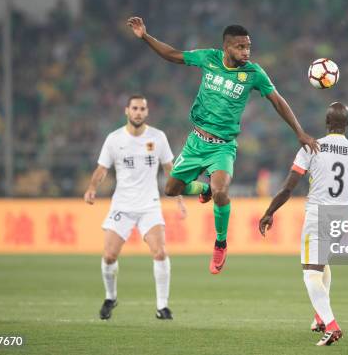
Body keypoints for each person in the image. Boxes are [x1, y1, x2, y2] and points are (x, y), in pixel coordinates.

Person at [127, 17, 319, 274]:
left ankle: (220, 243)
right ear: (227, 47)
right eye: (241, 47)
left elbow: (277, 101)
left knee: (221, 191)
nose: (246, 52)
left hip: (223, 147)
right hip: (196, 142)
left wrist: (300, 132)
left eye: (248, 47)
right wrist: (146, 37)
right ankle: (203, 188)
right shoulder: (209, 58)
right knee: (172, 189)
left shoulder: (253, 73)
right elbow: (173, 55)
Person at [259, 102, 348, 346]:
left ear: (327, 123)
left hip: (318, 214)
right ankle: (320, 317)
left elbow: (288, 187)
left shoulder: (312, 147)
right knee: (322, 263)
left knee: (311, 272)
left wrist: (269, 212)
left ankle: (331, 325)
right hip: (342, 217)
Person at [84, 95, 187, 320]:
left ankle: (162, 306)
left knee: (160, 252)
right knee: (109, 255)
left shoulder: (157, 137)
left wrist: (178, 196)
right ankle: (110, 297)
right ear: (126, 111)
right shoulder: (114, 139)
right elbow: (102, 169)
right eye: (135, 108)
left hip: (149, 205)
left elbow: (170, 169)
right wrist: (92, 187)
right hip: (122, 204)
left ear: (147, 112)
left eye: (142, 109)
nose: (138, 112)